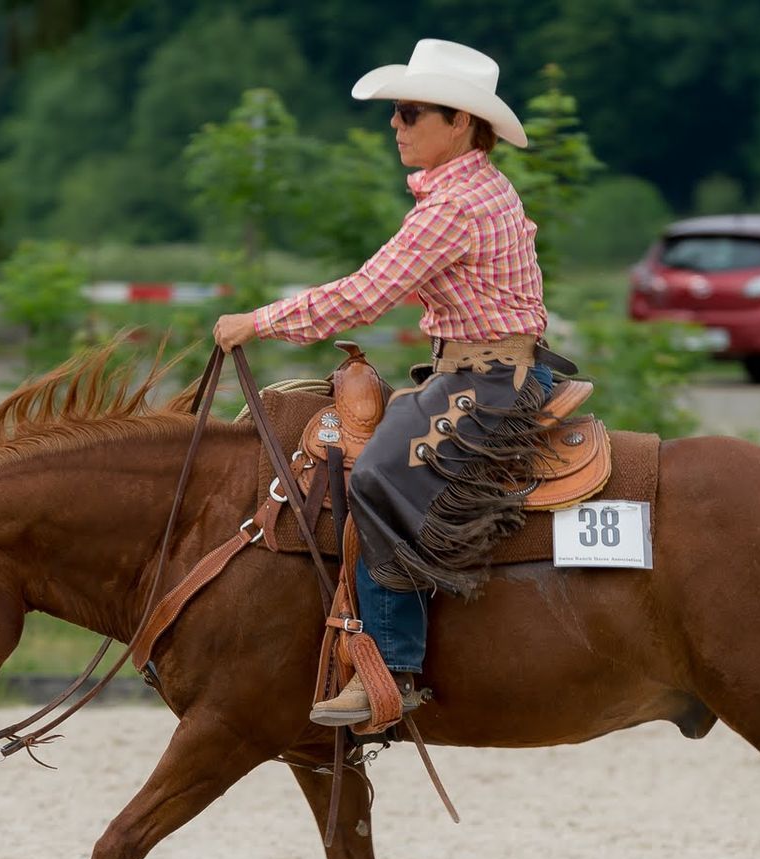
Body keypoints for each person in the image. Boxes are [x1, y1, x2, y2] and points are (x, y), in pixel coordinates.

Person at [214, 39, 568, 728]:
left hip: (488, 379)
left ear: (460, 122)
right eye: (397, 114)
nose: (395, 126)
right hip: (480, 368)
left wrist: (257, 321)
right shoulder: (469, 190)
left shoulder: (452, 207)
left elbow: (362, 298)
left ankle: (393, 668)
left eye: (410, 113)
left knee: (375, 476)